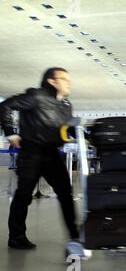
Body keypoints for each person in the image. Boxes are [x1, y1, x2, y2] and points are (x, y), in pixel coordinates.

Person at [0, 67, 80, 249]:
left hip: (52, 154)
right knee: (24, 195)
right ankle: (16, 237)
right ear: (52, 81)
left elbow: (65, 129)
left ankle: (75, 236)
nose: (69, 83)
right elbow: (5, 106)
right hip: (31, 153)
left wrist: (81, 134)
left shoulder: (67, 105)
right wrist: (11, 133)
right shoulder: (36, 96)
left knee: (66, 194)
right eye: (64, 79)